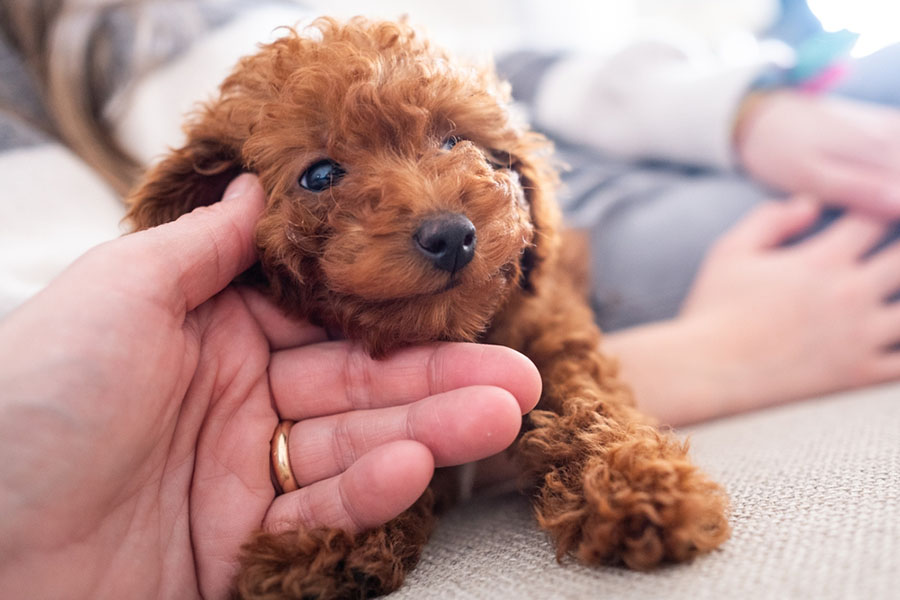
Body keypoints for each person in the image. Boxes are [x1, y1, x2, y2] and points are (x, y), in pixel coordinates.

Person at [2, 0, 900, 597]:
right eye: (321, 174)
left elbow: (510, 91)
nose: (435, 211)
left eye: (447, 147)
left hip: (615, 153)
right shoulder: (63, 73)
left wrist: (740, 110)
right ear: (201, 206)